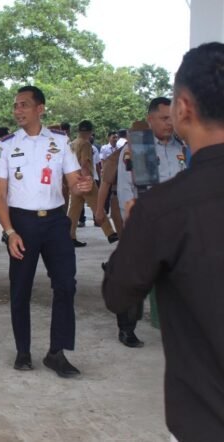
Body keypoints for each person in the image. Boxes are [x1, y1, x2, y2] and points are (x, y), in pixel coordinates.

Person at [102, 42, 224, 441]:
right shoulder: (138, 160)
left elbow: (119, 293)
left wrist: (140, 231)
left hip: (206, 419)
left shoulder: (163, 209)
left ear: (184, 108)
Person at [0, 85, 93, 378]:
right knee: (20, 287)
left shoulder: (60, 142)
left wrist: (82, 186)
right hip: (22, 223)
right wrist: (9, 232)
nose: (17, 110)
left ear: (40, 109)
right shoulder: (6, 146)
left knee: (65, 284)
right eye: (15, 105)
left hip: (55, 222)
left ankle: (56, 352)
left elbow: (73, 182)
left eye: (24, 105)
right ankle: (23, 350)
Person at [109, 97, 186, 348]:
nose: (170, 123)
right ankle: (127, 328)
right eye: (164, 118)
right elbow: (125, 189)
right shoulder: (137, 148)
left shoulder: (182, 148)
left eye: (173, 118)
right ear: (150, 119)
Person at [66, 120, 118, 247]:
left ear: (79, 131)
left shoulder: (72, 143)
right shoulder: (86, 144)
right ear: (90, 132)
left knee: (74, 210)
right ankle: (110, 233)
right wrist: (88, 179)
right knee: (97, 206)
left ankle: (69, 236)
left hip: (74, 180)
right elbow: (85, 163)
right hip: (85, 180)